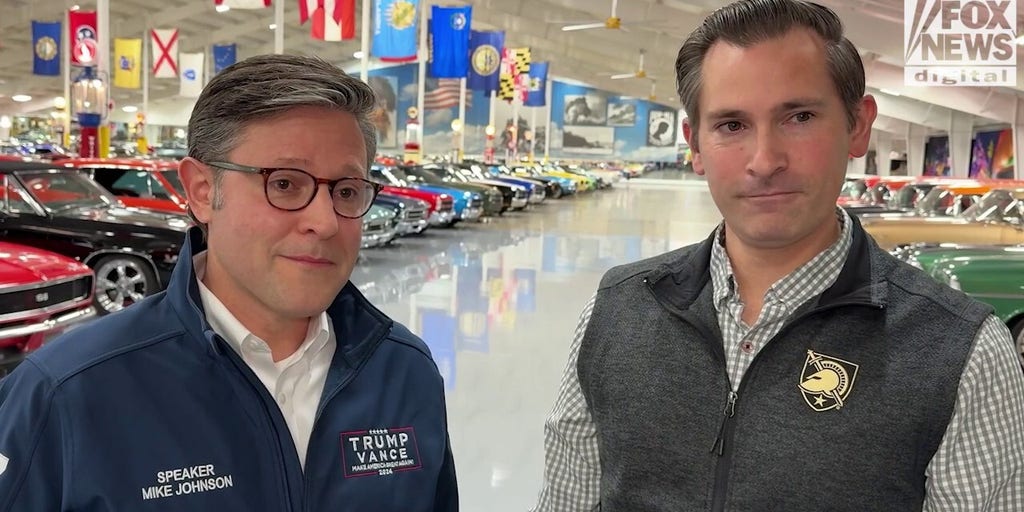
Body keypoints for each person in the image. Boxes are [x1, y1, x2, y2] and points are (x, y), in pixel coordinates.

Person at [533, 1, 1024, 510]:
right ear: (695, 146)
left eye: (800, 117)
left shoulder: (960, 352)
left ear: (858, 125)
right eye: (731, 125)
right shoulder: (617, 312)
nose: (765, 161)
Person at [0, 54, 458, 511]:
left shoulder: (404, 373)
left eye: (346, 191)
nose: (325, 222)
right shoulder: (66, 393)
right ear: (202, 191)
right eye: (284, 184)